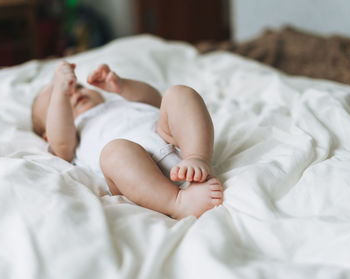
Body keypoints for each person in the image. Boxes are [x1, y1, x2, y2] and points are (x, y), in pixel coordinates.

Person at [31, 61, 224, 219]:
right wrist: (59, 91)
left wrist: (122, 86)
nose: (73, 93)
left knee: (178, 93)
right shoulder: (70, 135)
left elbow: (154, 101)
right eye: (60, 99)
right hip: (137, 178)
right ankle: (177, 202)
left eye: (77, 86)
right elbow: (61, 144)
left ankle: (197, 156)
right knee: (114, 152)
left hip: (169, 138)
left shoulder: (117, 102)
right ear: (47, 134)